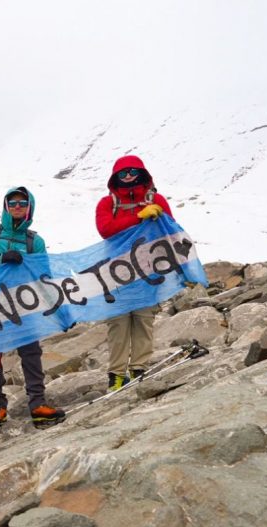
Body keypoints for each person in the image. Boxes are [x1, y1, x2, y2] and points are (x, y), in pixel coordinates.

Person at [0, 186, 66, 429]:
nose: (17, 207)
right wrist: (0, 258)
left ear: (29, 207)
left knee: (31, 353)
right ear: (6, 206)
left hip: (23, 305)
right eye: (12, 203)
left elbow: (44, 276)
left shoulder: (34, 241)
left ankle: (38, 404)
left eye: (22, 203)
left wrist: (58, 309)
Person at [95, 156, 173, 391]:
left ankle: (139, 369)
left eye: (132, 171)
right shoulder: (107, 203)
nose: (128, 176)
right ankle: (116, 375)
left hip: (148, 270)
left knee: (143, 321)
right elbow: (105, 230)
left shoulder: (156, 200)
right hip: (117, 273)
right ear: (115, 177)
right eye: (123, 173)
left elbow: (170, 229)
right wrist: (137, 217)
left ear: (142, 173)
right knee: (118, 323)